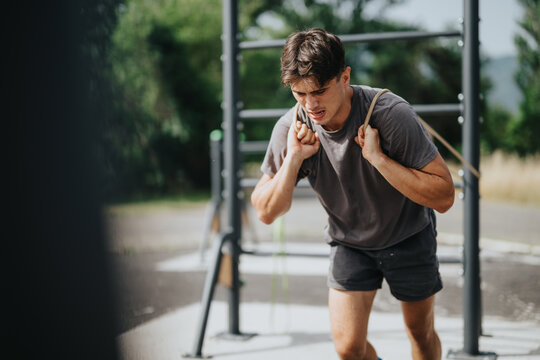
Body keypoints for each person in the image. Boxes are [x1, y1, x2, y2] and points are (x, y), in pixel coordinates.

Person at [250, 28, 455, 360]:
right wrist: (293, 160)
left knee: (420, 333)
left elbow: (444, 196)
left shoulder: (389, 113)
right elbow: (266, 211)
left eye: (319, 91)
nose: (310, 104)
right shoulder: (292, 127)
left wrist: (379, 159)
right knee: (348, 349)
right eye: (299, 93)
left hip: (407, 235)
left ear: (345, 77)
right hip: (349, 243)